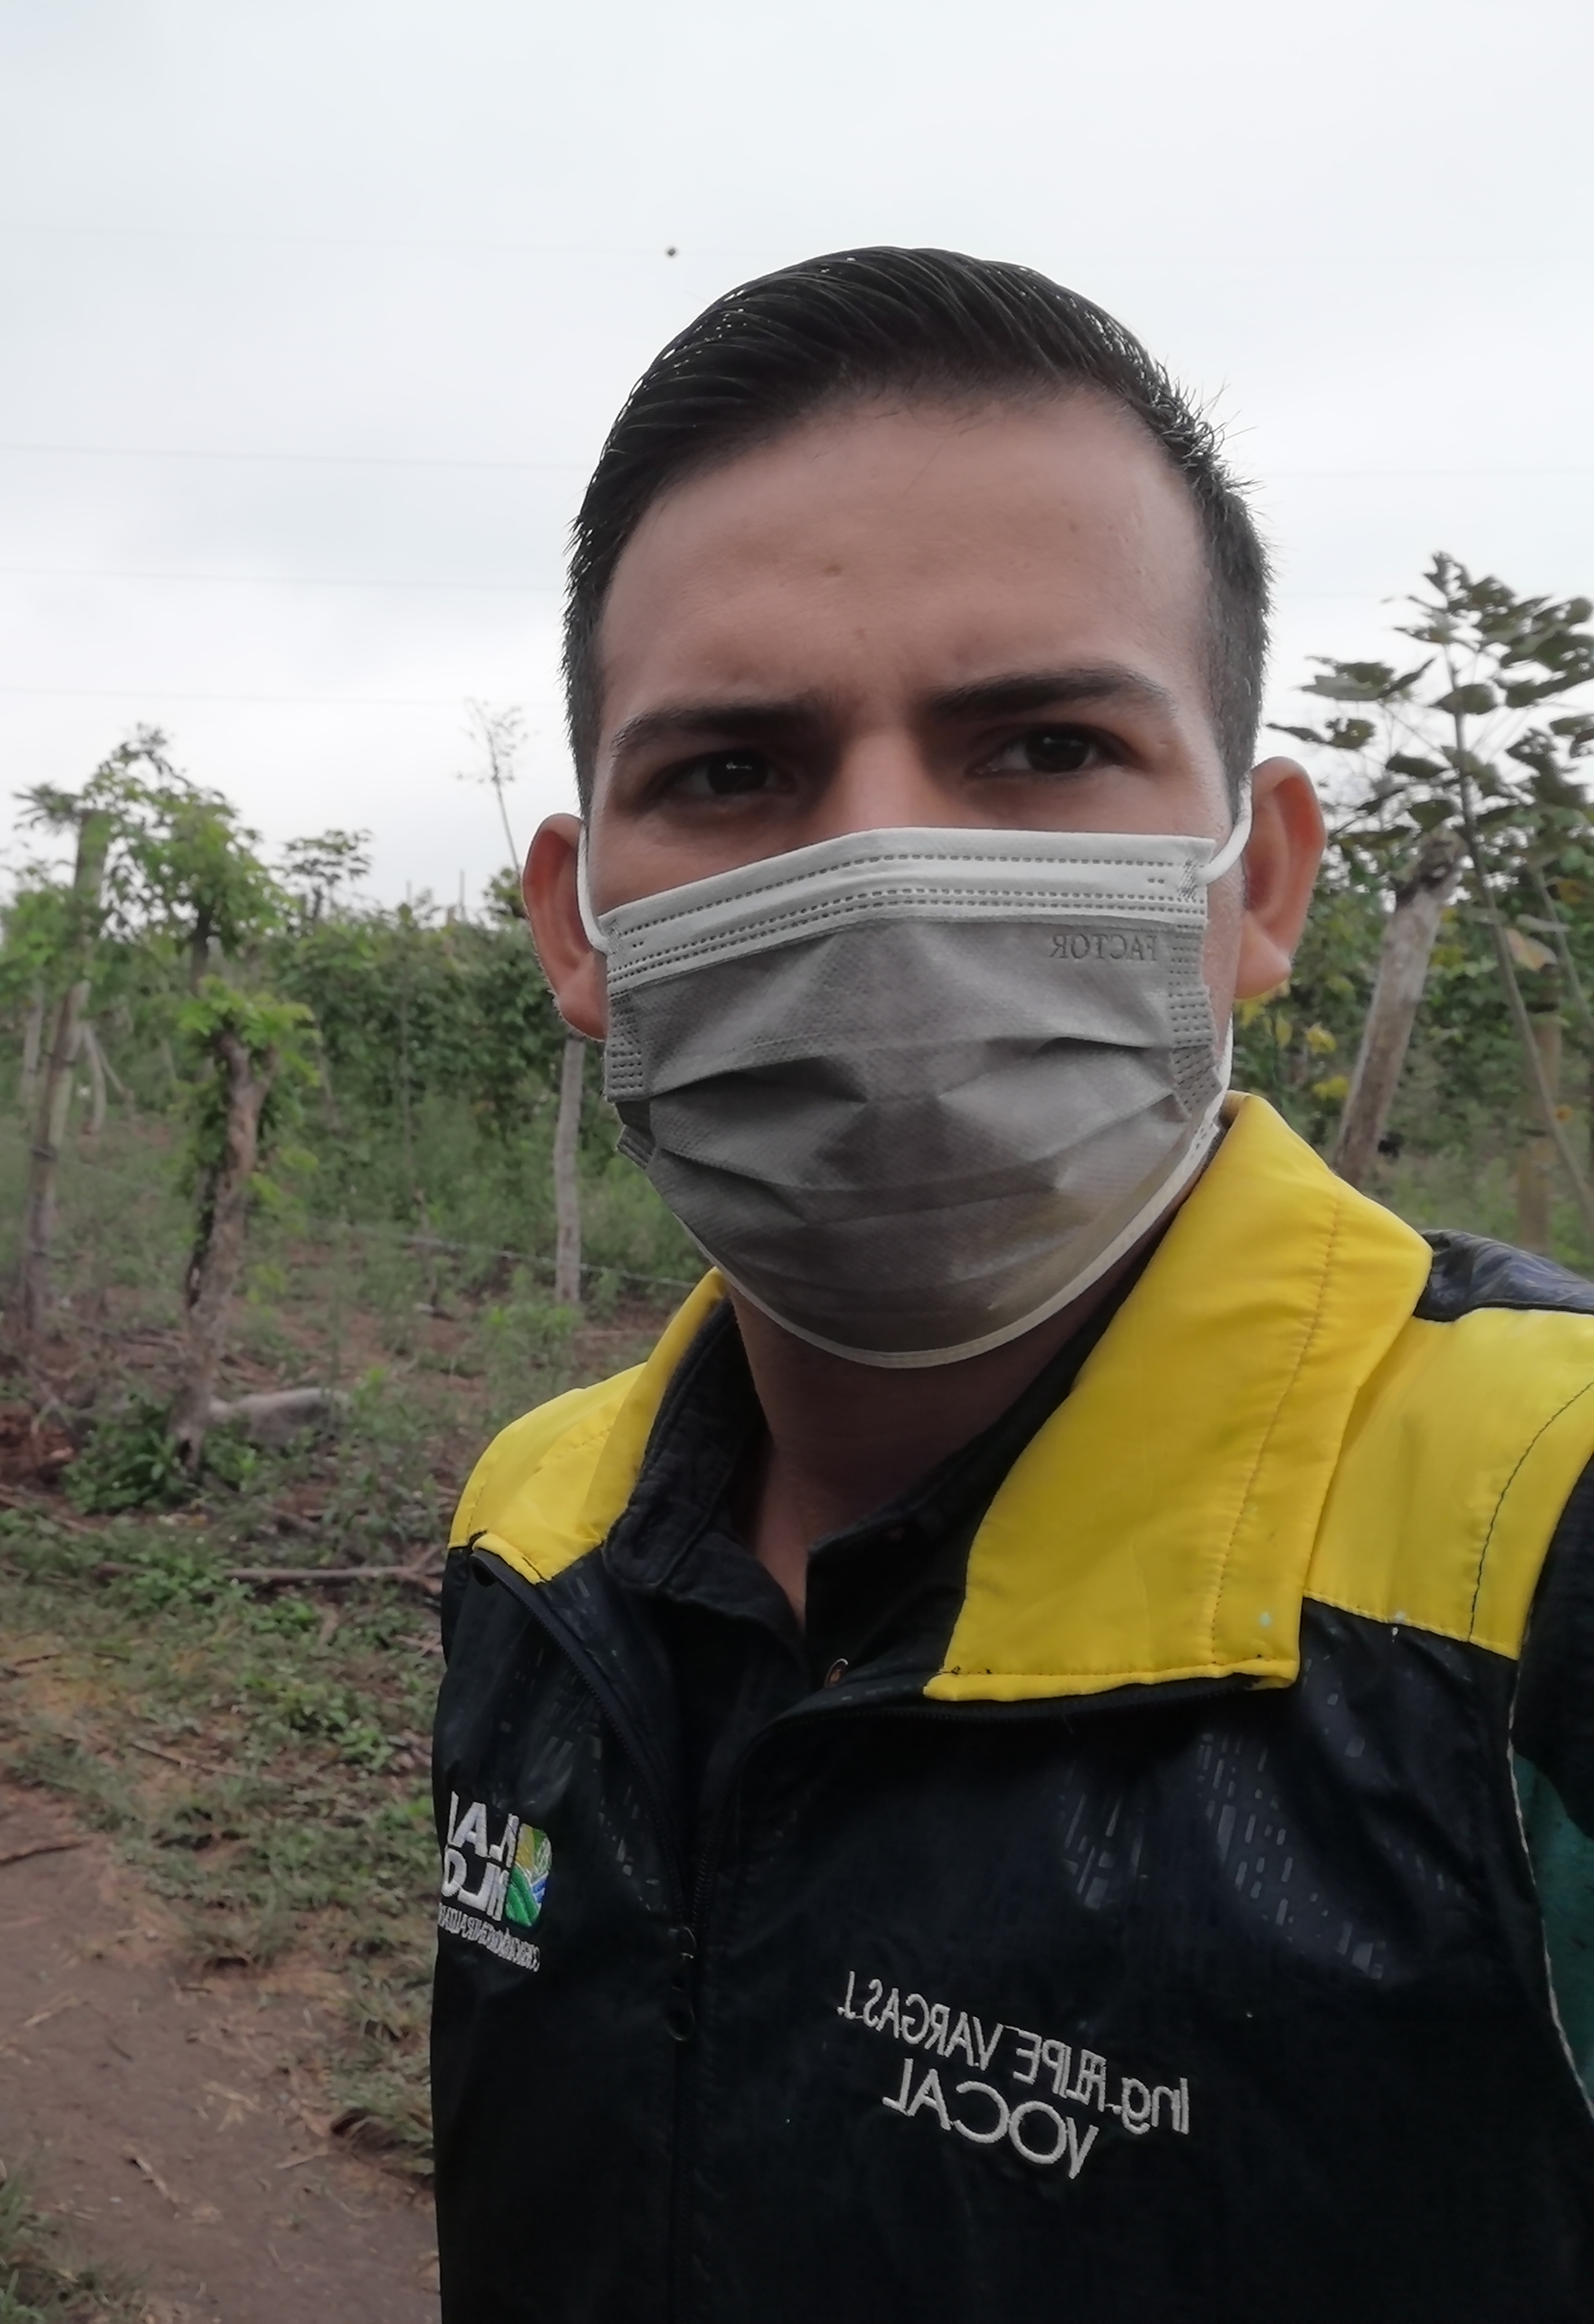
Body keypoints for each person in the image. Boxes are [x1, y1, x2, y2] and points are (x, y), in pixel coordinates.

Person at [431, 246, 1594, 2321]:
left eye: (1043, 745)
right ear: (579, 930)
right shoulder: (538, 1530)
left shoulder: (1543, 1556)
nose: (879, 875)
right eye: (732, 773)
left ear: (1258, 881)